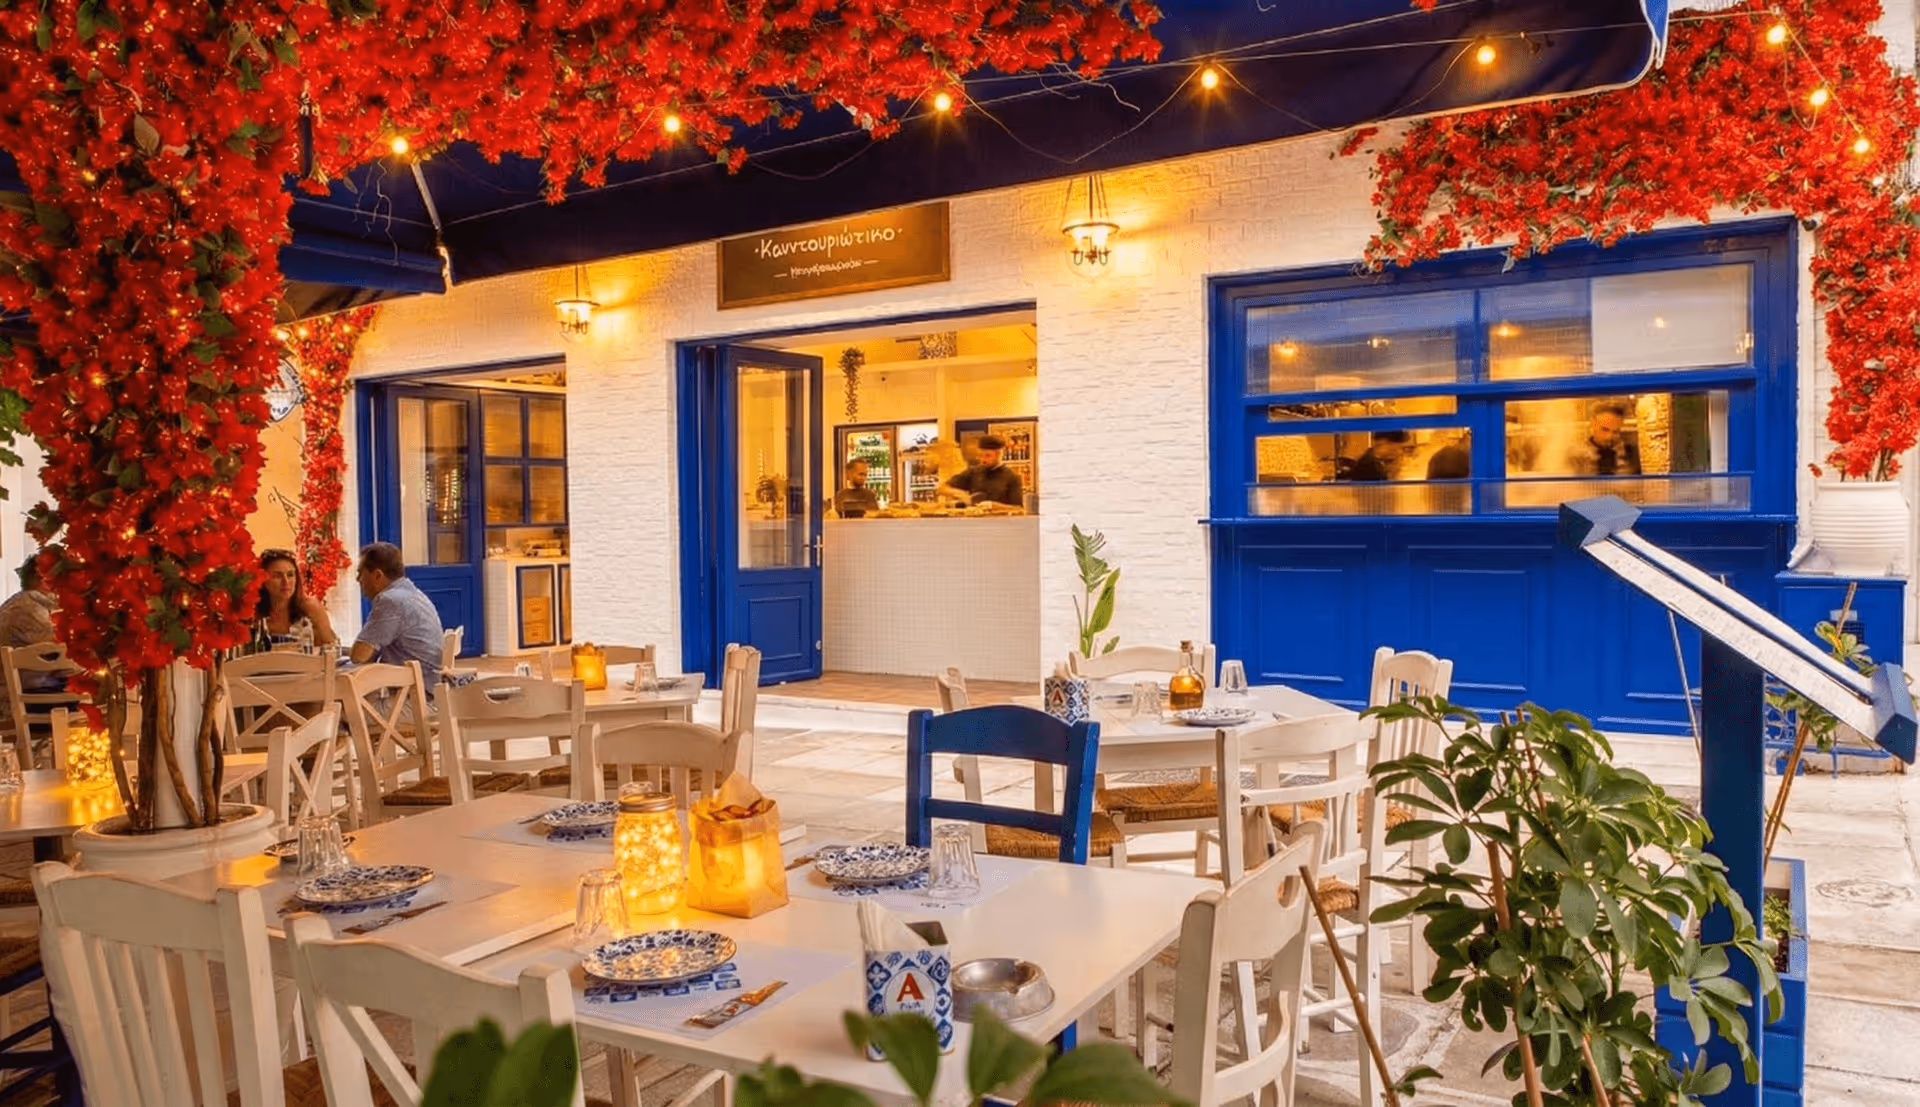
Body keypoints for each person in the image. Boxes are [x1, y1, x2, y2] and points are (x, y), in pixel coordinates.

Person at [350, 542, 445, 688]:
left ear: (377, 575)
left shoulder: (390, 600)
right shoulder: (412, 593)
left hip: (414, 697)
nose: (358, 580)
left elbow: (359, 656)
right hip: (428, 686)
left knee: (337, 704)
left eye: (360, 573)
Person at [0, 556, 62, 691]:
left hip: (18, 691)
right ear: (45, 579)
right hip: (26, 696)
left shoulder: (17, 602)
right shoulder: (30, 608)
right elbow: (60, 651)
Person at [255, 548, 338, 648]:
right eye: (277, 576)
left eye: (290, 575)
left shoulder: (310, 608)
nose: (286, 582)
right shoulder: (253, 612)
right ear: (262, 580)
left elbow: (332, 648)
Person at [941, 434, 1025, 507]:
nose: (983, 460)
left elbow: (1018, 508)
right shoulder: (973, 472)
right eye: (980, 455)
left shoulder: (1012, 477)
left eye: (987, 456)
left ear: (999, 454)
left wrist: (993, 506)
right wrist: (960, 494)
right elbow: (942, 488)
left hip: (1000, 522)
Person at [1569, 402, 1642, 476]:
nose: (1609, 436)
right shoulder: (1577, 456)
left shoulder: (1630, 454)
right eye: (1604, 429)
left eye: (1615, 432)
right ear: (1593, 423)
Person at [1345, 430, 1410, 482]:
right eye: (1397, 448)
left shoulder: (1372, 460)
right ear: (1384, 442)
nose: (1400, 452)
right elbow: (1384, 494)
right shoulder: (1370, 465)